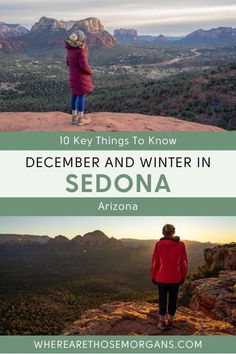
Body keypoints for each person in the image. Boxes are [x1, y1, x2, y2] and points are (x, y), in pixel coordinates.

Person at [151, 224, 188, 330]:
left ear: (163, 232)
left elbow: (155, 262)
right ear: (173, 232)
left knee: (162, 300)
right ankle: (170, 322)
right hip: (176, 278)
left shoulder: (159, 245)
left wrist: (153, 276)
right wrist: (183, 276)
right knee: (173, 300)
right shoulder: (181, 245)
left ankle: (162, 322)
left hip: (161, 278)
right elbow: (184, 263)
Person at [65, 30, 94, 126]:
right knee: (81, 96)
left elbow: (68, 63)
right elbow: (83, 65)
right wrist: (90, 71)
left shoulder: (69, 50)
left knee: (74, 96)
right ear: (81, 39)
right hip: (80, 77)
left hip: (72, 75)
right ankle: (81, 119)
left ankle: (74, 117)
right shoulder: (81, 50)